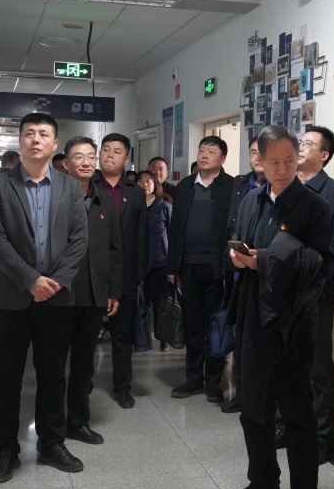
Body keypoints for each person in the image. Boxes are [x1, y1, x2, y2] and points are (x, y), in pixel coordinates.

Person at [225, 125, 334, 489]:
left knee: (296, 413)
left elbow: (321, 262)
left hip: (294, 321)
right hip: (254, 314)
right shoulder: (252, 200)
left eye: (290, 160)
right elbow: (239, 240)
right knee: (253, 405)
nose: (284, 169)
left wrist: (266, 259)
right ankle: (263, 481)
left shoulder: (314, 206)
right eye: (275, 162)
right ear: (260, 161)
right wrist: (239, 258)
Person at [0, 112, 88, 483]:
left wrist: (56, 281)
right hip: (11, 298)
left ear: (55, 143)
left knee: (53, 375)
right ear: (21, 141)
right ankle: (6, 450)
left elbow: (79, 239)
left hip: (56, 299)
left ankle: (51, 444)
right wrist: (31, 280)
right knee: (6, 377)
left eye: (44, 134)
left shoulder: (70, 187)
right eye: (29, 133)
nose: (36, 139)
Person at [275, 126, 334, 464]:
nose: (300, 146)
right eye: (300, 141)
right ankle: (286, 425)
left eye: (308, 143)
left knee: (318, 367)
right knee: (283, 362)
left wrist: (312, 277)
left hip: (314, 294)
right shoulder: (283, 187)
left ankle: (323, 438)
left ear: (324, 155)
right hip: (278, 292)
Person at [61, 136, 123, 445]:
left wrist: (113, 291)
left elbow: (114, 250)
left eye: (90, 156)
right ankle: (52, 424)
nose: (86, 162)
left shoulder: (104, 201)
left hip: (93, 294)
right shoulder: (54, 198)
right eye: (78, 157)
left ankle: (78, 421)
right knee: (53, 364)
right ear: (65, 163)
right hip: (59, 294)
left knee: (84, 363)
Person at [166, 136, 234, 402]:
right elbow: (175, 229)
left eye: (211, 151)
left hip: (218, 269)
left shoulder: (232, 187)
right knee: (192, 325)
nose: (204, 155)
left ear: (223, 159)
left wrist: (230, 269)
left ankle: (213, 381)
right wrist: (172, 266)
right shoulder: (185, 186)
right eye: (202, 150)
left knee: (214, 325)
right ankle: (193, 378)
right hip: (188, 267)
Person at [99, 133, 149, 409]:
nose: (110, 155)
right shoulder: (88, 185)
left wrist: (140, 273)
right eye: (106, 149)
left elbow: (142, 235)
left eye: (117, 151)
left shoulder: (135, 192)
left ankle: (122, 386)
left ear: (127, 159)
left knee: (122, 335)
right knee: (83, 335)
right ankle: (81, 385)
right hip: (91, 272)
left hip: (125, 273)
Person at [221, 136, 266, 414]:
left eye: (263, 152)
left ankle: (263, 401)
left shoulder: (285, 192)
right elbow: (231, 228)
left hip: (267, 278)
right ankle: (241, 393)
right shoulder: (240, 187)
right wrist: (230, 253)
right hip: (240, 277)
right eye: (252, 152)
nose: (257, 157)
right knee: (240, 340)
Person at [136, 169, 172, 352]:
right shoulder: (133, 206)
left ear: (155, 184)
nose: (145, 184)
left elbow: (173, 235)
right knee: (140, 305)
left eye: (148, 181)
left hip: (159, 264)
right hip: (138, 265)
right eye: (141, 181)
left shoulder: (164, 206)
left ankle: (163, 337)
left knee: (160, 305)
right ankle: (140, 340)